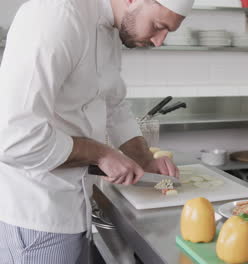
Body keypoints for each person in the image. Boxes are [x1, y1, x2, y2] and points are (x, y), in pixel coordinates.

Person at [0, 0, 194, 262]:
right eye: (159, 26)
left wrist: (144, 158)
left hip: (74, 208)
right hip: (37, 218)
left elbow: (113, 105)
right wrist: (101, 153)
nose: (159, 40)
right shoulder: (55, 16)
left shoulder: (110, 27)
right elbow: (13, 137)